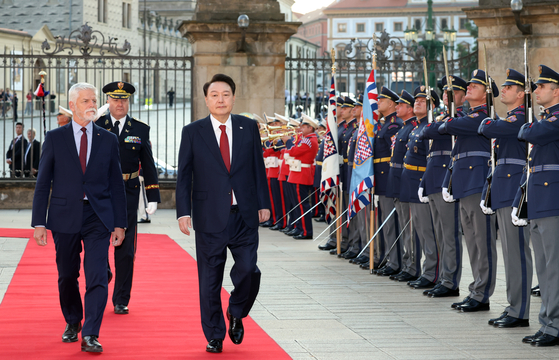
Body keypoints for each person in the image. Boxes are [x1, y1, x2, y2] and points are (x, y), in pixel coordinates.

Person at [176, 74, 271, 353]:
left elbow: (258, 168)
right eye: (215, 95)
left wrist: (263, 203)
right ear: (206, 99)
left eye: (226, 94)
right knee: (209, 279)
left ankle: (236, 311)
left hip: (244, 215)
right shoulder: (193, 131)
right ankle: (215, 333)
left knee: (248, 270)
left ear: (233, 97)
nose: (220, 99)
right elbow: (184, 175)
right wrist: (183, 212)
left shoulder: (248, 127)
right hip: (209, 217)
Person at [31, 82, 127, 353]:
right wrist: (39, 221)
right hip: (64, 215)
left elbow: (116, 184)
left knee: (96, 275)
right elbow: (42, 183)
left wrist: (120, 223)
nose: (92, 105)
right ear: (72, 105)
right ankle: (73, 321)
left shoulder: (108, 140)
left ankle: (91, 334)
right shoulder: (54, 138)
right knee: (67, 274)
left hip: (98, 216)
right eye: (85, 101)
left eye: (94, 100)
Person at [97, 81, 160, 315]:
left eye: (123, 99)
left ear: (128, 102)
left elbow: (149, 165)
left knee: (125, 249)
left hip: (129, 192)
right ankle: (103, 273)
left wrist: (152, 195)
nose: (119, 103)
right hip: (101, 193)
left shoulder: (140, 129)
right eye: (115, 99)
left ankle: (121, 298)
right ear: (108, 101)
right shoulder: (96, 125)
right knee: (98, 241)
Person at [438, 69, 498, 312]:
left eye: (476, 85)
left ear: (487, 93)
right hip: (464, 183)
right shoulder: (470, 115)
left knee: (482, 241)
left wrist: (449, 120)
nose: (470, 87)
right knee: (472, 241)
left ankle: (482, 293)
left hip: (477, 182)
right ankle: (476, 290)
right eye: (470, 84)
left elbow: (446, 127)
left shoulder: (483, 116)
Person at [479, 68, 533, 328]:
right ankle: (513, 306)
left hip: (514, 190)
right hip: (503, 188)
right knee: (510, 253)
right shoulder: (513, 117)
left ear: (522, 94)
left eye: (509, 87)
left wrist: (490, 120)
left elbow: (488, 128)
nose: (504, 90)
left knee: (517, 254)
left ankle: (519, 311)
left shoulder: (521, 117)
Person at [512, 65, 559, 346]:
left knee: (554, 267)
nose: (536, 91)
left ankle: (555, 325)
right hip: (539, 200)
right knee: (543, 269)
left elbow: (529, 133)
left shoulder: (554, 119)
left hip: (553, 200)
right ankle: (548, 323)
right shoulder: (544, 119)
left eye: (541, 87)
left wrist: (529, 124)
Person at [419, 75, 467, 298]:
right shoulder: (443, 118)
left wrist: (446, 122)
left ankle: (450, 281)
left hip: (448, 179)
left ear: (462, 96)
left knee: (449, 234)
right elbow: (426, 132)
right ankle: (442, 277)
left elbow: (433, 130)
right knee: (439, 233)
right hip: (434, 178)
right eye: (446, 93)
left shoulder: (462, 117)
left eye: (452, 93)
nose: (447, 96)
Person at [385, 90, 417, 281]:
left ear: (409, 109)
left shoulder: (411, 128)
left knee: (411, 228)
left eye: (401, 105)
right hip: (397, 180)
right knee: (405, 227)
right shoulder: (403, 128)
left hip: (407, 182)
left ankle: (412, 266)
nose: (397, 107)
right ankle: (406, 264)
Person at [371, 87, 403, 272]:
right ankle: (385, 257)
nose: (378, 102)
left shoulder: (394, 125)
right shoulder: (383, 124)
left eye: (381, 100)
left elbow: (394, 154)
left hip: (387, 176)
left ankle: (394, 262)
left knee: (391, 223)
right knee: (383, 221)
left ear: (391, 103)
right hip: (379, 176)